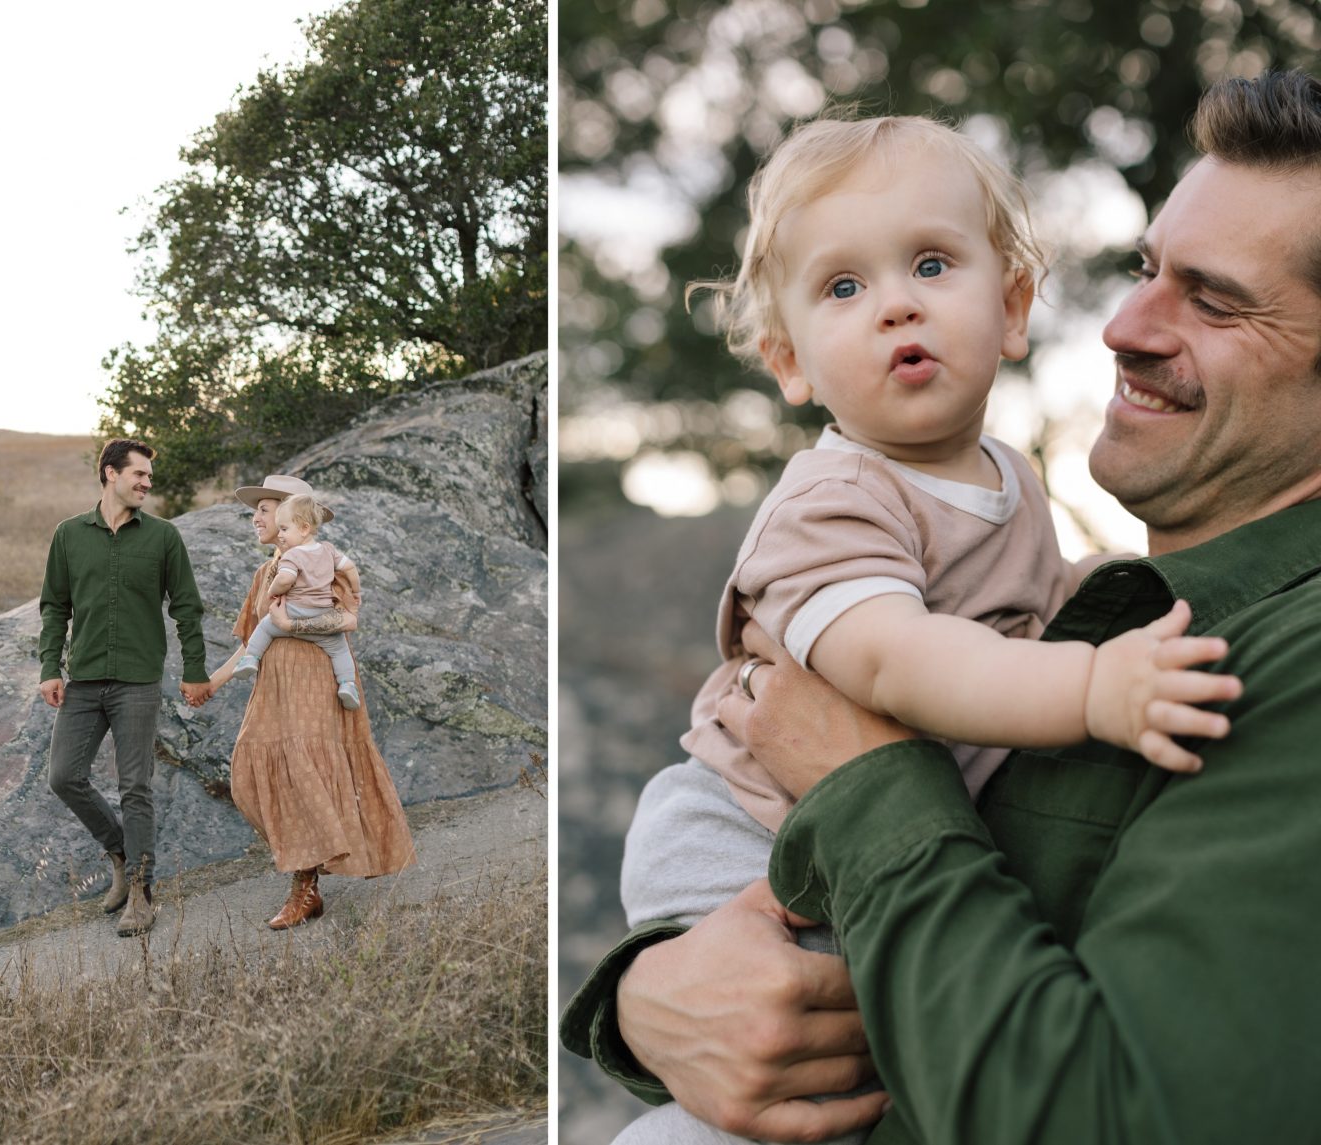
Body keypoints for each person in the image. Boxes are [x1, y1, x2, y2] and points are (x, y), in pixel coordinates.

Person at [562, 69, 1321, 1144]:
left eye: (1214, 299)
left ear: (1009, 306)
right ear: (787, 360)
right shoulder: (836, 499)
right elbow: (892, 654)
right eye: (1146, 270)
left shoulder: (1289, 656)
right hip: (738, 830)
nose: (1120, 326)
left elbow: (1105, 1106)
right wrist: (652, 997)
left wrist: (870, 775)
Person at [206, 473, 416, 929]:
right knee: (247, 774)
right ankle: (310, 867)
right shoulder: (265, 573)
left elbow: (347, 619)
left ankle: (306, 886)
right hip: (274, 686)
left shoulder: (323, 563)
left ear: (292, 517)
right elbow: (250, 642)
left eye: (264, 510)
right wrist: (212, 683)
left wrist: (293, 626)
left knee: (303, 773)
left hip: (314, 680)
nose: (256, 518)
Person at [39, 437, 212, 939]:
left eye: (149, 477)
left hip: (138, 680)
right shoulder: (69, 535)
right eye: (139, 474)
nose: (146, 483)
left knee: (135, 786)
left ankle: (140, 890)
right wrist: (50, 666)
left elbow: (187, 607)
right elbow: (55, 606)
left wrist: (195, 669)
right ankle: (120, 852)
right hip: (84, 679)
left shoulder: (163, 537)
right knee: (64, 777)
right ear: (110, 473)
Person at [231, 492, 363, 711]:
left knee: (265, 628)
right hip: (321, 614)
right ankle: (347, 684)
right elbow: (350, 567)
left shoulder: (292, 556)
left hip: (296, 615)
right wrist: (357, 590)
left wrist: (273, 592)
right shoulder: (328, 551)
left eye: (284, 528)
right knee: (340, 650)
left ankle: (250, 659)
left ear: (303, 528)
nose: (281, 533)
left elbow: (286, 579)